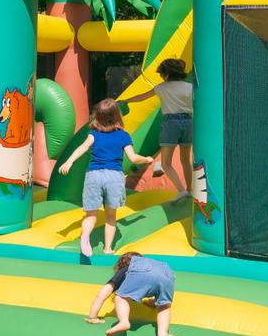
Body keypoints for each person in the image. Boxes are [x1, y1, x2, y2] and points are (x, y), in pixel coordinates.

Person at [59, 99, 153, 257]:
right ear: (117, 116)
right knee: (110, 217)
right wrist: (146, 159)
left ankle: (85, 236)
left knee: (91, 215)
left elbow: (83, 147)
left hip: (94, 175)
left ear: (97, 116)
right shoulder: (123, 136)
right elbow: (133, 158)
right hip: (114, 177)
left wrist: (69, 161)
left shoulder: (94, 134)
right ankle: (108, 249)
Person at [117, 59, 192, 203]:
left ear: (167, 74)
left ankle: (182, 190)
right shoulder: (189, 87)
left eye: (162, 75)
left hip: (171, 123)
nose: (162, 78)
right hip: (188, 122)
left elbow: (142, 97)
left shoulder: (162, 87)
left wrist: (127, 100)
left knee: (165, 163)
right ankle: (189, 189)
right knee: (185, 160)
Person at [85, 251, 178, 336]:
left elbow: (101, 295)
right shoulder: (151, 264)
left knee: (120, 298)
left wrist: (93, 317)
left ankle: (123, 322)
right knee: (164, 306)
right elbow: (154, 281)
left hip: (144, 272)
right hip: (168, 274)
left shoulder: (129, 267)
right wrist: (153, 302)